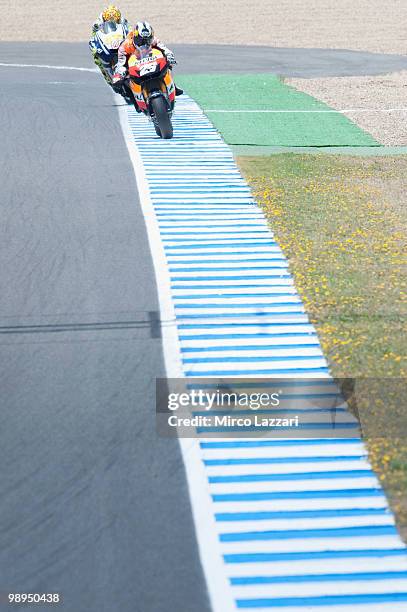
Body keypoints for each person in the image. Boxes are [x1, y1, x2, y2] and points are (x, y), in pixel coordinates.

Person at [113, 21, 183, 96]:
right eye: (140, 40)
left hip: (152, 61)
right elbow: (121, 64)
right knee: (123, 85)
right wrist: (119, 75)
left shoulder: (154, 40)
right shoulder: (125, 46)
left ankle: (173, 85)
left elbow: (165, 49)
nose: (144, 43)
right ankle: (133, 99)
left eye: (147, 40)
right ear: (134, 37)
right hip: (134, 68)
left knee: (168, 64)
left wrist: (169, 56)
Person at [89, 5, 129, 85]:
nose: (113, 20)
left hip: (119, 39)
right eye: (109, 19)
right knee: (97, 59)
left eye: (115, 20)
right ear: (104, 19)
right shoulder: (97, 24)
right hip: (107, 41)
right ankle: (108, 78)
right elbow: (93, 37)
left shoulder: (123, 20)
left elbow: (129, 30)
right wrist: (94, 47)